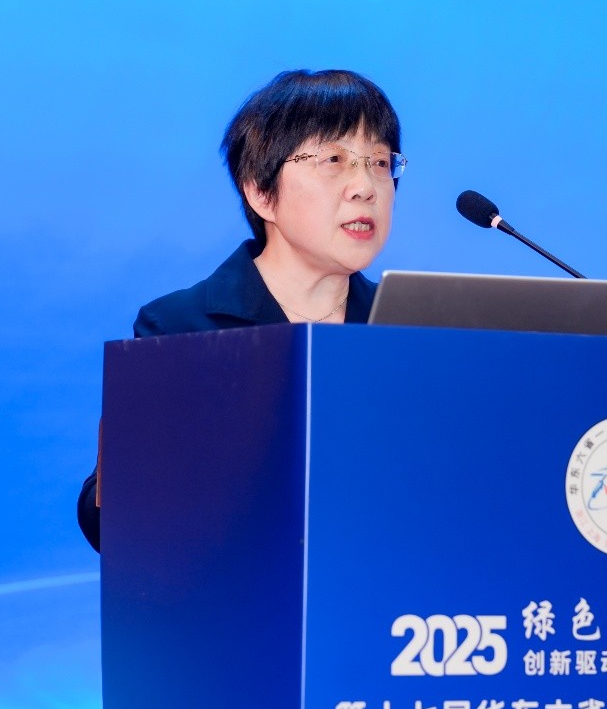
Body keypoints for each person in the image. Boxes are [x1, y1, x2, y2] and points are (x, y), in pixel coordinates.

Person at [76, 69, 405, 551]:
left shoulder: (406, 329)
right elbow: (109, 524)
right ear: (260, 191)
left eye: (379, 162)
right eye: (334, 160)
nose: (365, 187)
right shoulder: (182, 328)